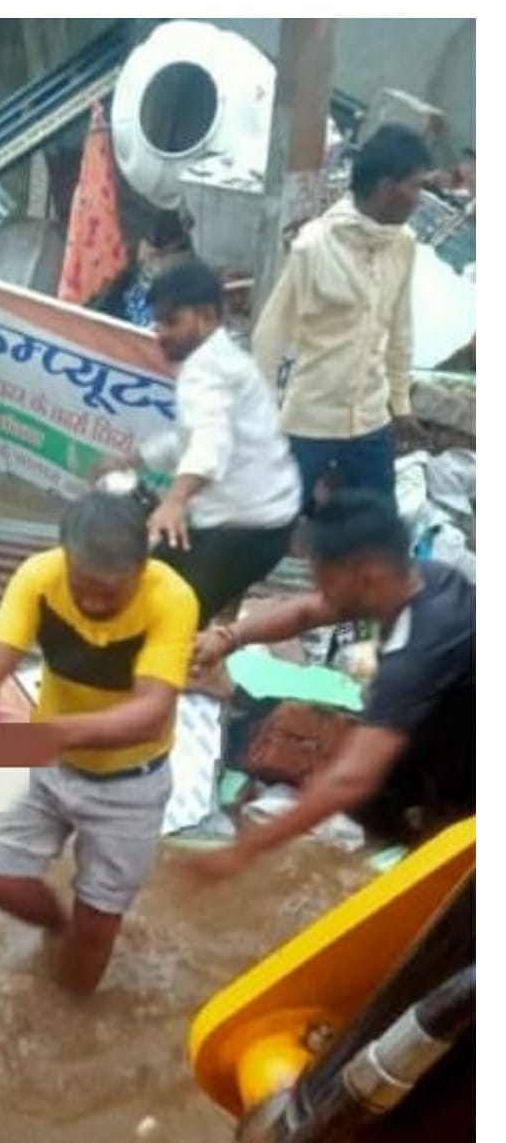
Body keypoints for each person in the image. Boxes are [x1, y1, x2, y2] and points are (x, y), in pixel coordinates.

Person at [0, 491, 198, 994]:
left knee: (98, 927)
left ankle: (71, 1005)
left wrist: (52, 733)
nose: (94, 603)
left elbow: (151, 713)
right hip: (43, 765)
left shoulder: (172, 597)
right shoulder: (39, 575)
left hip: (130, 783)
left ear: (142, 569)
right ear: (66, 559)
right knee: (3, 882)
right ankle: (58, 927)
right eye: (83, 588)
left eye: (110, 593)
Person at [189, 491, 473, 879]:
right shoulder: (427, 578)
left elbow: (353, 779)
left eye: (325, 581)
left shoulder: (415, 655)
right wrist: (227, 638)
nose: (321, 593)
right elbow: (308, 612)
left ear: (366, 575)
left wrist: (244, 851)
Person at [97, 260, 301, 626]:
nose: (160, 334)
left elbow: (209, 442)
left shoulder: (205, 371)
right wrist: (133, 459)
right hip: (268, 521)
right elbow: (189, 439)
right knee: (162, 592)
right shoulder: (222, 359)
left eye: (171, 322)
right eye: (157, 322)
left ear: (205, 317)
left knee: (157, 614)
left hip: (243, 528)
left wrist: (175, 500)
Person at [253, 124, 432, 515]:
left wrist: (400, 404)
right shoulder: (314, 245)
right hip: (309, 421)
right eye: (416, 186)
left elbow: (400, 329)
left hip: (370, 419)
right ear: (386, 187)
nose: (420, 199)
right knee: (277, 521)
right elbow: (271, 333)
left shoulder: (403, 244)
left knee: (378, 524)